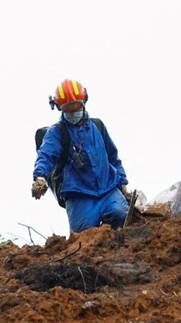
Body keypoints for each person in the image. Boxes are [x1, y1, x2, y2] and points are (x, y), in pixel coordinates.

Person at [32, 79, 130, 234]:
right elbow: (46, 155)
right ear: (59, 108)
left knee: (123, 217)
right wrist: (40, 177)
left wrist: (123, 182)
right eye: (67, 107)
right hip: (80, 195)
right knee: (83, 237)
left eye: (75, 105)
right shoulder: (56, 133)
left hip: (108, 190)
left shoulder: (98, 126)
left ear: (84, 101)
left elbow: (113, 156)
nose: (73, 111)